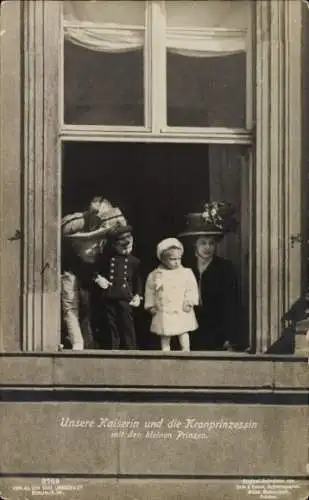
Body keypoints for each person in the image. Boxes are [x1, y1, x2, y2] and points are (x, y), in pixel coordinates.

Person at [61, 197, 127, 350]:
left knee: (91, 309)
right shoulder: (76, 222)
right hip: (73, 271)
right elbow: (65, 237)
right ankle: (77, 343)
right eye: (95, 213)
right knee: (72, 307)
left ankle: (91, 343)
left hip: (94, 274)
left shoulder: (110, 227)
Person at [178, 202, 240, 351]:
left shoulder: (225, 268)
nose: (207, 247)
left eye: (211, 243)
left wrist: (229, 337)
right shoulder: (184, 267)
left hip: (215, 331)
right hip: (188, 329)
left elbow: (231, 304)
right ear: (195, 245)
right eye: (203, 243)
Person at [144, 238, 199, 352]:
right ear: (163, 260)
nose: (177, 262)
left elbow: (191, 288)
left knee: (183, 331)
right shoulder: (155, 275)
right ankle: (165, 352)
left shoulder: (186, 273)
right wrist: (151, 306)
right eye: (172, 259)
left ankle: (186, 350)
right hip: (164, 310)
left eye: (179, 258)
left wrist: (189, 301)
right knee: (165, 333)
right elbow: (150, 291)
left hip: (181, 309)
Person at [93, 224, 142, 349]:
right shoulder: (107, 259)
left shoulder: (134, 261)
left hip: (125, 297)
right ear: (114, 245)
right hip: (109, 296)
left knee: (127, 324)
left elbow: (138, 280)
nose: (126, 249)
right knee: (111, 324)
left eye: (129, 246)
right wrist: (99, 278)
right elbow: (95, 270)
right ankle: (113, 349)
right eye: (122, 246)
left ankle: (131, 349)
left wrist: (138, 295)